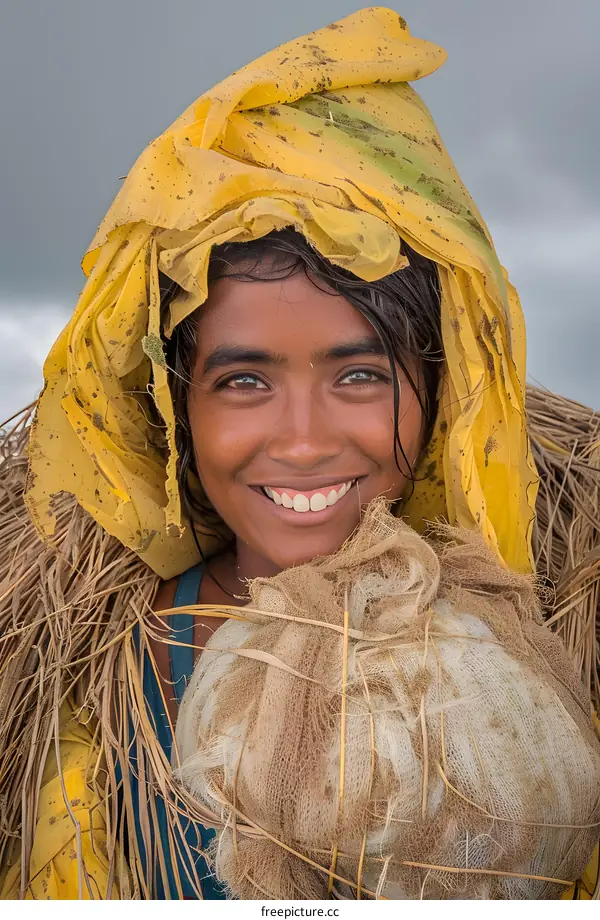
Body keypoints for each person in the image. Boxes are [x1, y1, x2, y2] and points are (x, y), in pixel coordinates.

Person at [0, 7, 598, 900]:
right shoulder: (95, 689)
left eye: (359, 376)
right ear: (177, 409)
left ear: (438, 390)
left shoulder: (560, 628)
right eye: (244, 382)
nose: (307, 441)